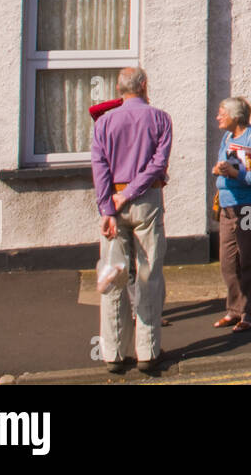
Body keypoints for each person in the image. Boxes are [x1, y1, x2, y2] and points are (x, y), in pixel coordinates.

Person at [91, 67, 172, 375]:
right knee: (149, 274)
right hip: (147, 200)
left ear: (118, 88)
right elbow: (157, 165)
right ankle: (147, 353)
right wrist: (132, 193)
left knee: (113, 276)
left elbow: (99, 168)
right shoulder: (161, 119)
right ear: (144, 85)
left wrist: (107, 208)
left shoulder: (105, 122)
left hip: (113, 200)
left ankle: (112, 354)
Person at [212, 97, 251, 333]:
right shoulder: (227, 137)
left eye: (221, 113)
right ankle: (234, 310)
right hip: (227, 207)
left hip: (248, 207)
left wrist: (235, 174)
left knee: (249, 259)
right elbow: (221, 164)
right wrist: (219, 169)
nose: (218, 117)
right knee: (227, 262)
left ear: (235, 116)